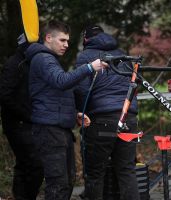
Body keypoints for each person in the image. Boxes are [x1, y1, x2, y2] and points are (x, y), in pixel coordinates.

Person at [24, 20, 108, 200]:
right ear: (48, 38)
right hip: (49, 130)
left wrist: (74, 113)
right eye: (62, 40)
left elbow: (53, 94)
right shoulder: (43, 58)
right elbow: (62, 81)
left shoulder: (49, 59)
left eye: (68, 41)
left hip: (59, 129)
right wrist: (89, 67)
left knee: (68, 181)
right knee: (59, 183)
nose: (66, 45)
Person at [75, 25, 140, 200]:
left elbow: (81, 90)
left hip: (102, 119)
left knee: (95, 173)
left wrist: (81, 112)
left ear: (85, 40)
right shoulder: (122, 55)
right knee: (127, 170)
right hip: (129, 117)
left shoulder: (85, 57)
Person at [0, 34, 44, 200]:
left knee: (25, 164)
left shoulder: (30, 63)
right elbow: (5, 95)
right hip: (17, 124)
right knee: (34, 164)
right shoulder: (14, 64)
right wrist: (28, 115)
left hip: (25, 122)